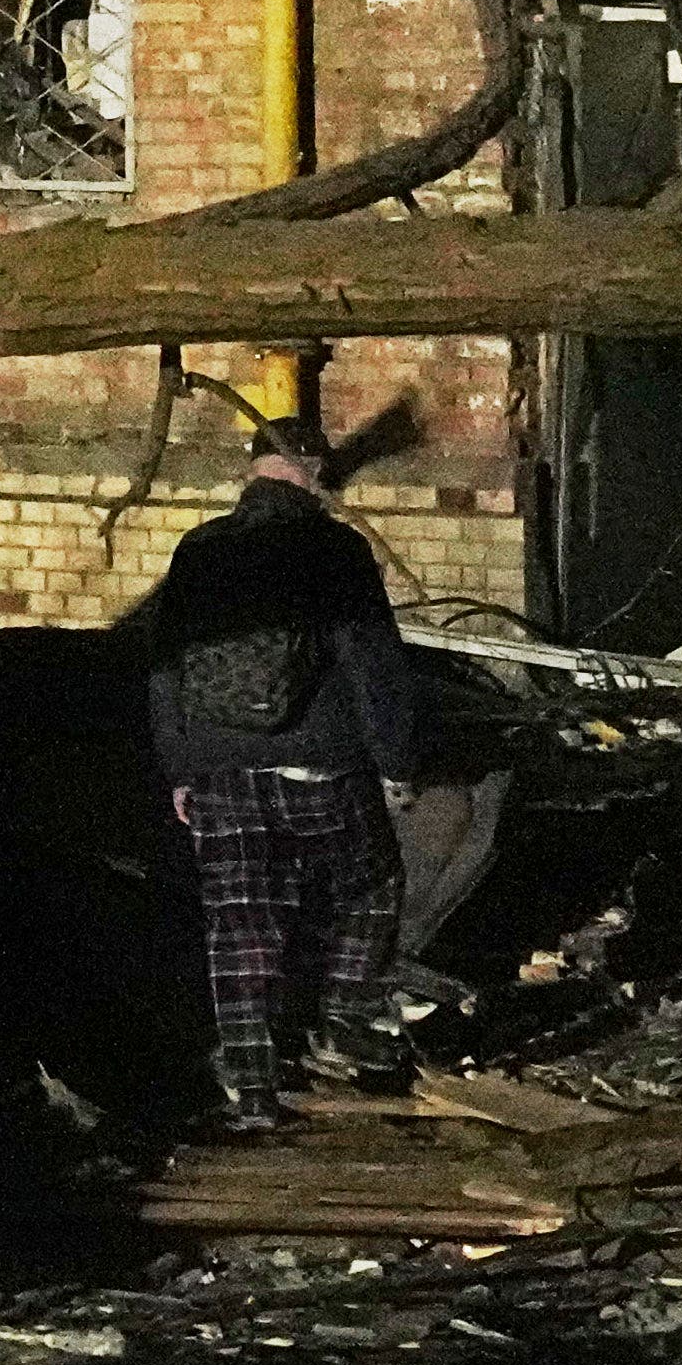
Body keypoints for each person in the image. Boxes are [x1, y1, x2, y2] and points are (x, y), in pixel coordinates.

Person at [139, 420, 421, 1131]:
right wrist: (396, 763)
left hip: (220, 772)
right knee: (372, 881)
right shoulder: (335, 548)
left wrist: (181, 766)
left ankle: (252, 1081)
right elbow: (372, 664)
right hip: (321, 766)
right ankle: (344, 1018)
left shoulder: (199, 549)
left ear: (253, 471)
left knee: (240, 925)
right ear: (314, 470)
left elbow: (165, 667)